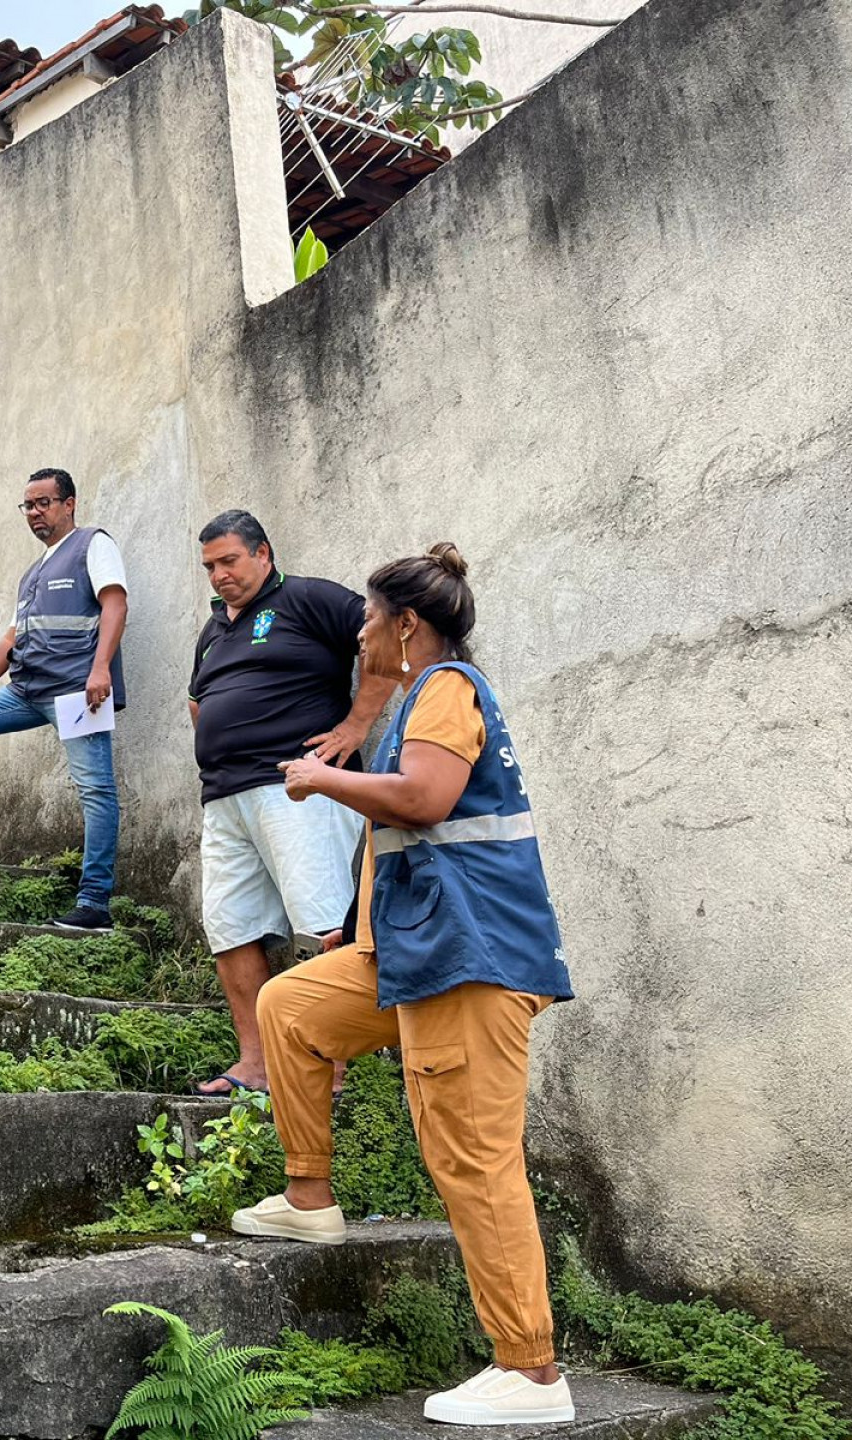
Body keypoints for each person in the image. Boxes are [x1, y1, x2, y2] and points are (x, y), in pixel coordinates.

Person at [233, 543, 577, 1427]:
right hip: (418, 952)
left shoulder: (448, 689)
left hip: (471, 961)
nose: (360, 633)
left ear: (406, 626)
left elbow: (423, 800)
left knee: (472, 1160)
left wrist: (325, 778)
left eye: (368, 620)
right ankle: (309, 1197)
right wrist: (356, 932)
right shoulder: (416, 700)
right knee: (291, 1007)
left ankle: (530, 1371)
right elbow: (414, 835)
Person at [186, 510, 390, 1097]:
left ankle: (326, 1063)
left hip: (297, 787)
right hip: (224, 799)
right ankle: (257, 1063)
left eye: (229, 561)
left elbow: (385, 640)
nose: (220, 575)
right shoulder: (213, 630)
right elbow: (200, 701)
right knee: (229, 928)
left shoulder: (307, 599)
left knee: (319, 921)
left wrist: (355, 726)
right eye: (210, 567)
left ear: (263, 554)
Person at [0, 467, 127, 931]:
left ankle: (94, 904)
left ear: (69, 503)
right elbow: (11, 638)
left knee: (95, 791)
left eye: (43, 503)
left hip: (76, 691)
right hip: (28, 689)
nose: (34, 512)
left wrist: (100, 669)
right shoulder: (33, 572)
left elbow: (115, 604)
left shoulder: (93, 544)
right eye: (28, 505)